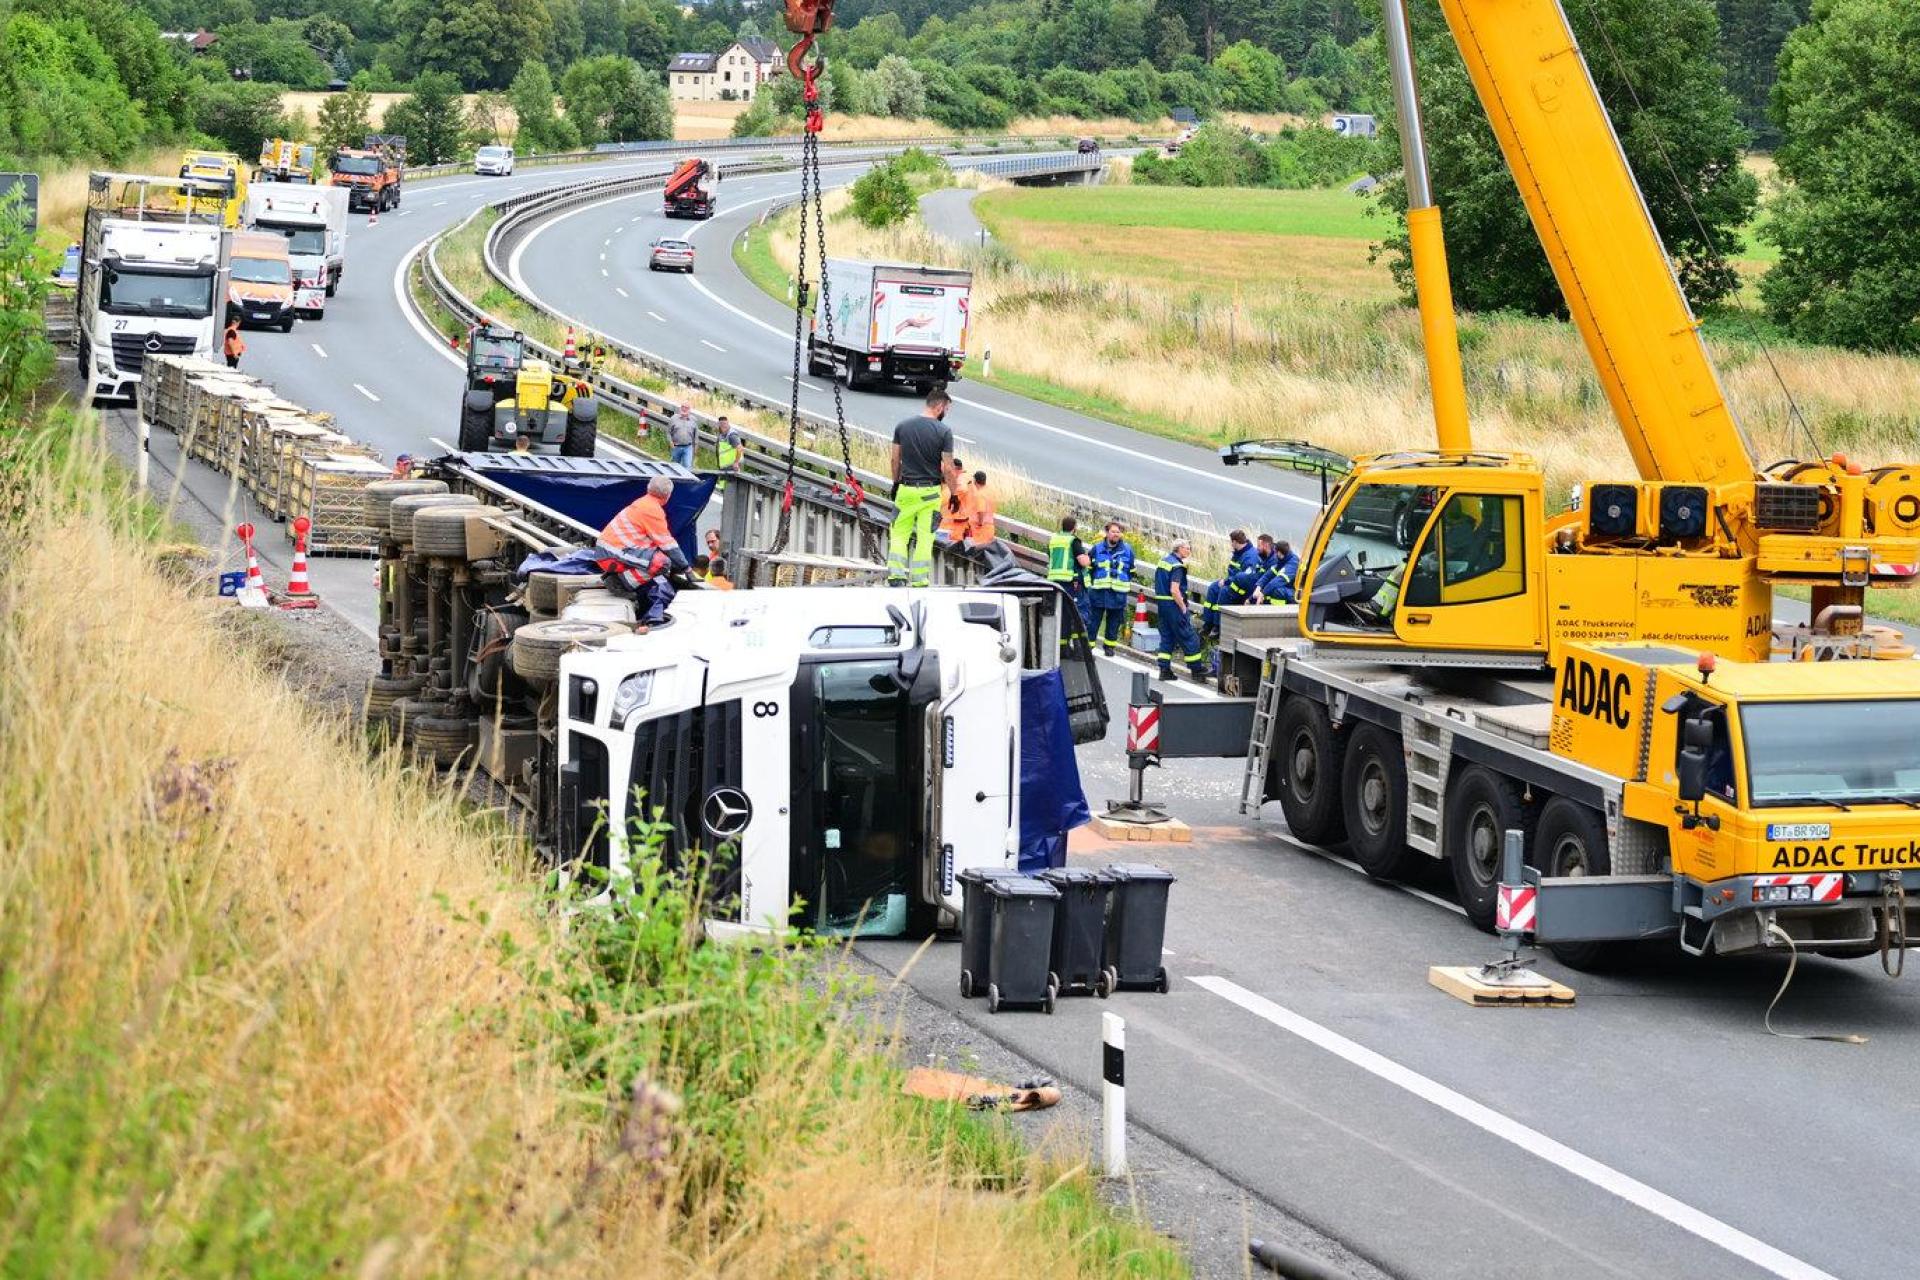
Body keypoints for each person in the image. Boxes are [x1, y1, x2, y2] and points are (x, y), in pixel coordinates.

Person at [595, 476, 687, 624]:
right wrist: (686, 567)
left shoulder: (643, 503)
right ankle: (619, 582)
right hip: (613, 553)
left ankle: (617, 579)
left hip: (610, 551)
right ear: (667, 496)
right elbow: (668, 544)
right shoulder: (652, 510)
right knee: (661, 563)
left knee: (654, 557)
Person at [888, 386, 953, 587]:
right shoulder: (944, 432)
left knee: (899, 533)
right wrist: (955, 493)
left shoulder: (902, 427)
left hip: (906, 489)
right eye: (947, 410)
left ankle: (896, 577)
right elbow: (948, 468)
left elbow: (894, 459)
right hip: (930, 493)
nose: (946, 414)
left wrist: (896, 482)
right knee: (925, 537)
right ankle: (919, 580)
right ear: (940, 406)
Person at [1153, 540, 1207, 681]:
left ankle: (1164, 669)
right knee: (1188, 636)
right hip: (1173, 605)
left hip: (1162, 604)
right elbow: (1174, 590)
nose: (1189, 551)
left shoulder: (1164, 561)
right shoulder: (1177, 566)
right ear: (1179, 549)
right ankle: (1197, 670)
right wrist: (1183, 607)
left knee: (1167, 637)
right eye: (1187, 548)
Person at [1085, 521, 1135, 656]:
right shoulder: (1096, 549)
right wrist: (1089, 585)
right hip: (1098, 592)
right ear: (1107, 533)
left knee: (1114, 622)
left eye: (1118, 532)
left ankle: (1109, 647)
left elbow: (1131, 571)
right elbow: (1088, 569)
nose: (1116, 534)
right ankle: (1088, 647)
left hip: (1118, 593)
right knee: (1093, 622)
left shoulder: (1128, 551)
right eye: (1113, 532)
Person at [1200, 529, 1257, 637]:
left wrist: (1227, 581)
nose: (1231, 544)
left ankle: (1217, 626)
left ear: (1235, 542)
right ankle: (1208, 623)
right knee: (1213, 588)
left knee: (1224, 592)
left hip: (1242, 587)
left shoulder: (1250, 556)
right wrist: (1226, 580)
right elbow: (1233, 570)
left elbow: (1244, 577)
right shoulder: (1238, 553)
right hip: (1232, 580)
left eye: (1231, 542)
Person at [1046, 515, 1092, 621]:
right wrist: (1089, 558)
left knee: (1061, 612)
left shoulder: (1054, 540)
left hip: (1054, 581)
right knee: (1078, 611)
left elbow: (1051, 556)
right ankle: (1078, 637)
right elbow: (1083, 562)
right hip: (1071, 582)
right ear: (1074, 527)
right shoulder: (1073, 541)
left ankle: (1063, 636)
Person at [936, 459, 975, 546]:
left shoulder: (962, 477)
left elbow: (962, 489)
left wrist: (951, 496)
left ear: (956, 469)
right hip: (960, 520)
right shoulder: (967, 477)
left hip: (957, 522)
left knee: (950, 546)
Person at [967, 470, 997, 546]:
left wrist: (980, 524)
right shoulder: (990, 492)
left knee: (976, 553)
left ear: (975, 481)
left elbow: (981, 511)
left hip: (980, 530)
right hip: (989, 528)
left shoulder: (980, 495)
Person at [714, 416, 742, 491]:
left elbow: (739, 449)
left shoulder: (732, 435)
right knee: (723, 489)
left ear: (728, 423)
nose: (723, 425)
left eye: (725, 423)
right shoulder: (721, 434)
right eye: (721, 424)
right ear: (719, 424)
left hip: (732, 466)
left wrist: (736, 462)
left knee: (731, 489)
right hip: (723, 466)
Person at [667, 403, 698, 470]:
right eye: (683, 407)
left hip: (688, 447)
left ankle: (686, 480)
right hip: (676, 447)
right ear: (680, 408)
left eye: (686, 407)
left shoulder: (694, 420)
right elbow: (668, 432)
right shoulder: (673, 418)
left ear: (689, 410)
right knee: (674, 467)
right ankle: (673, 479)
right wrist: (670, 442)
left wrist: (695, 448)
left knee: (687, 466)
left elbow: (696, 435)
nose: (684, 409)